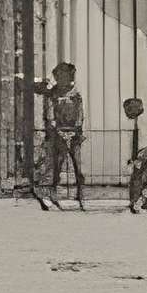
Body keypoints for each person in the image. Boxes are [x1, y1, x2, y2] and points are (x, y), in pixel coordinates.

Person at [27, 62, 87, 210]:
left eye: (64, 75)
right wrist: (56, 129)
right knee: (56, 166)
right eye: (59, 76)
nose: (62, 79)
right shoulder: (52, 94)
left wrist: (76, 129)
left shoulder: (75, 94)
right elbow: (49, 114)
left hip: (74, 134)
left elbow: (80, 114)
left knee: (78, 167)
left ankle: (80, 196)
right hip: (57, 135)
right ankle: (51, 195)